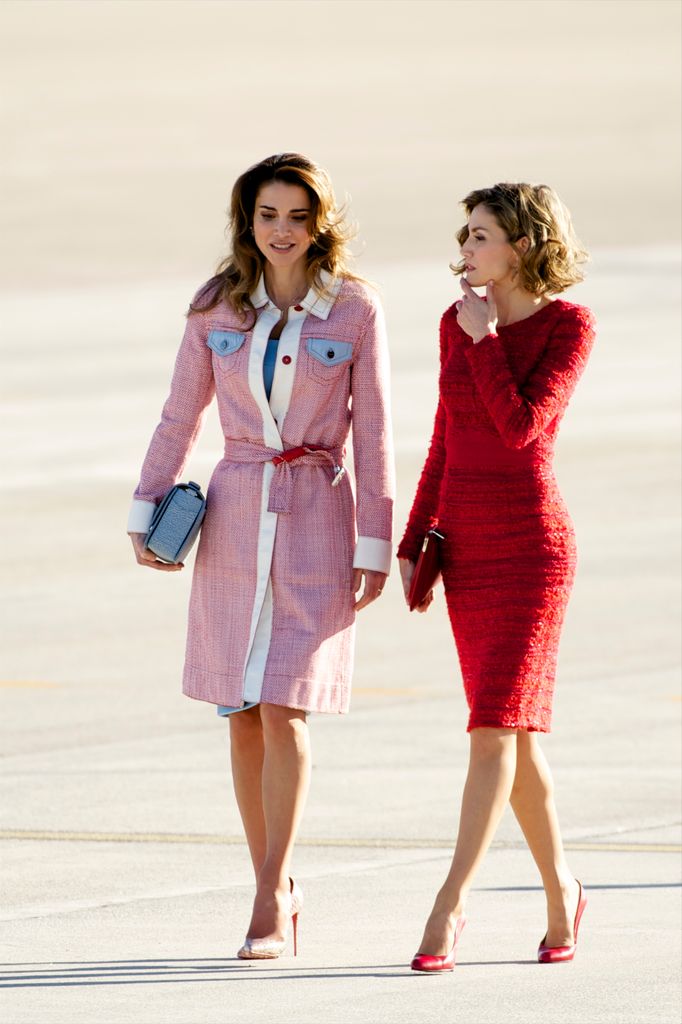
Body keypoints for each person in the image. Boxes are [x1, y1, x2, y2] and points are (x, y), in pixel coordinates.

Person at [127, 153, 394, 959]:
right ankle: (271, 882)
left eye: (298, 216)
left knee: (288, 706)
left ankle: (271, 897)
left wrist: (376, 543)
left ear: (321, 223)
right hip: (237, 514)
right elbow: (180, 414)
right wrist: (148, 507)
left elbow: (377, 430)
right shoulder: (215, 307)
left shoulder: (354, 309)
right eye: (268, 215)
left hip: (317, 513)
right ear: (248, 221)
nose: (282, 231)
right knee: (241, 713)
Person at [397, 182, 595, 972]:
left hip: (531, 545)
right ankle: (564, 893)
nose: (466, 247)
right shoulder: (454, 323)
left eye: (481, 235)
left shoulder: (567, 327)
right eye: (467, 233)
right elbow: (447, 437)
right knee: (511, 737)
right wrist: (417, 537)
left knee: (490, 730)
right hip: (467, 544)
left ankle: (448, 909)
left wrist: (485, 343)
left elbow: (519, 431)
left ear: (521, 244)